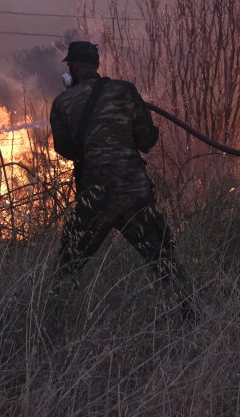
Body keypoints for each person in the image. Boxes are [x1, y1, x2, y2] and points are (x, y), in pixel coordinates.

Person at [46, 41, 198, 323]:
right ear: (97, 65)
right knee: (162, 259)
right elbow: (146, 140)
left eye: (69, 67)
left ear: (74, 68)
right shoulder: (125, 91)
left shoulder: (62, 103)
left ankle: (51, 326)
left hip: (94, 196)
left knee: (68, 264)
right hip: (134, 193)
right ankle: (192, 318)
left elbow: (66, 151)